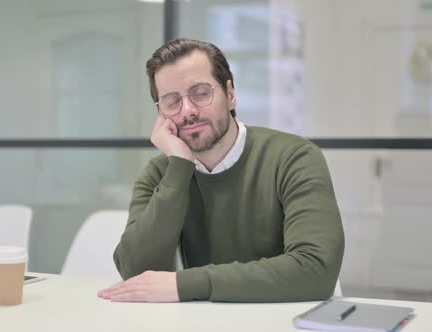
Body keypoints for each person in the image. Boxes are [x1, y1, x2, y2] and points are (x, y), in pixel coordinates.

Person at [98, 38, 344, 303]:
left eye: (201, 93)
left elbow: (316, 270)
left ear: (230, 93)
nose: (188, 111)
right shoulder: (161, 172)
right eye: (171, 102)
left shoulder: (294, 157)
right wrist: (180, 167)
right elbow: (135, 271)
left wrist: (187, 284)